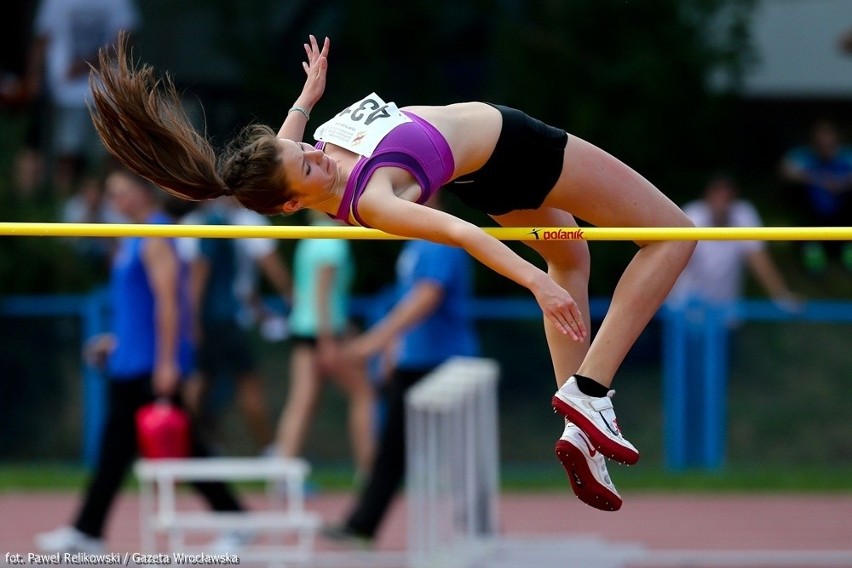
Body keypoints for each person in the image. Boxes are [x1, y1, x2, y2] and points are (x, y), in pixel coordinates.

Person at [87, 34, 696, 506]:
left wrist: (306, 96)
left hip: (479, 173)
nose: (316, 154)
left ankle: (579, 425)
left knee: (571, 256)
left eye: (302, 145)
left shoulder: (299, 161)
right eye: (308, 164)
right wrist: (533, 284)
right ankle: (591, 393)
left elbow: (288, 145)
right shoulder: (372, 200)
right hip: (513, 145)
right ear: (297, 204)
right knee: (672, 236)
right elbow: (461, 234)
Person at [34, 168, 248, 554]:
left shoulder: (155, 234)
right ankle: (88, 531)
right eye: (111, 193)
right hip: (131, 360)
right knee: (123, 452)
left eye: (121, 192)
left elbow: (170, 302)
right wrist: (116, 341)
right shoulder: (132, 236)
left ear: (142, 193)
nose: (115, 200)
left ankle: (235, 520)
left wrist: (167, 362)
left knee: (175, 448)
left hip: (150, 367)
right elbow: (140, 306)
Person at [323, 209, 480, 543]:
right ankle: (362, 525)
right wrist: (394, 349)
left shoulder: (441, 236)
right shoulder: (413, 242)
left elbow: (427, 297)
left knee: (460, 451)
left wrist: (376, 342)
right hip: (415, 361)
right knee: (393, 451)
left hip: (445, 362)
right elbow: (409, 300)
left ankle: (480, 528)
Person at [179, 197, 291, 453]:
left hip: (223, 318)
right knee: (236, 384)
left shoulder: (205, 221)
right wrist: (192, 319)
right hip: (225, 319)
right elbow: (200, 273)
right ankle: (268, 451)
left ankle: (194, 446)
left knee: (204, 384)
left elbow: (237, 283)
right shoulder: (214, 223)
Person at [274, 211, 375, 477]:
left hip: (306, 329)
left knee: (301, 402)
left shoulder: (309, 238)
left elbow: (309, 293)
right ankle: (368, 470)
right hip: (323, 332)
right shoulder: (333, 240)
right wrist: (328, 341)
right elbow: (322, 293)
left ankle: (283, 472)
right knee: (364, 396)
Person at [26, 0, 139, 196]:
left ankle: (111, 207)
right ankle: (63, 210)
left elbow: (125, 39)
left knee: (111, 155)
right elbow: (42, 39)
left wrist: (85, 64)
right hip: (65, 93)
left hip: (106, 92)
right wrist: (33, 78)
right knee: (66, 154)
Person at [668, 174, 800, 310]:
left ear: (733, 198)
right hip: (685, 308)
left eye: (726, 196)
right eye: (717, 195)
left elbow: (758, 259)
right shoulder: (693, 215)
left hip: (726, 311)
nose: (721, 202)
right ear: (707, 196)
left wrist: (781, 295)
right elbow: (678, 260)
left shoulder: (743, 214)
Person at [779, 120, 852, 274]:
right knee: (799, 194)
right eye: (820, 140)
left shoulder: (846, 156)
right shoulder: (804, 155)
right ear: (814, 141)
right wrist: (817, 179)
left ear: (836, 139)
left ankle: (848, 249)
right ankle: (812, 253)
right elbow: (785, 170)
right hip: (812, 214)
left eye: (829, 139)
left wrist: (842, 183)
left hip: (843, 212)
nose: (825, 143)